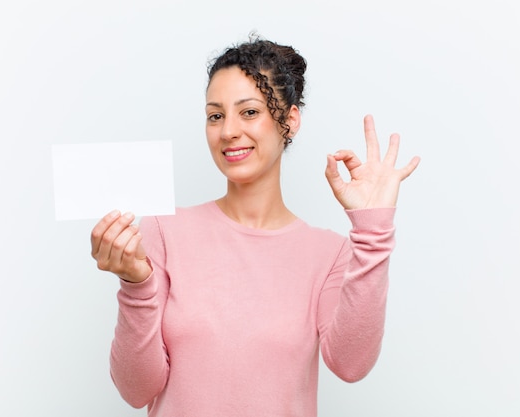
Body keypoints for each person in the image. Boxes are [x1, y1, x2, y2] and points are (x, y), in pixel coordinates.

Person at [90, 36, 420, 417]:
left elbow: (351, 365)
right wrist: (136, 285)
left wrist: (373, 232)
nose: (228, 131)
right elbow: (136, 390)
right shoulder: (164, 231)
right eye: (215, 115)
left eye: (248, 112)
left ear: (290, 120)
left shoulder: (328, 254)